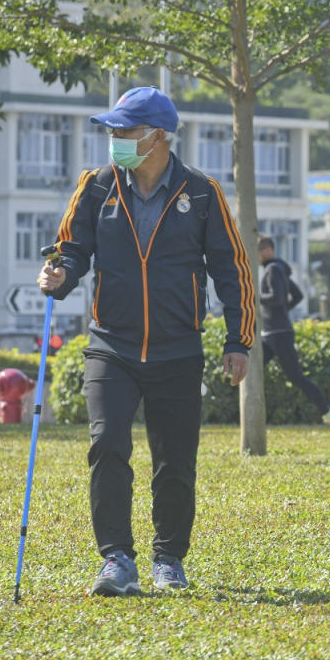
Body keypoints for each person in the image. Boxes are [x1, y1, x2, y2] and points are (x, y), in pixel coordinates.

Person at [38, 86, 254, 596]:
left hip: (178, 350)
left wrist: (237, 341)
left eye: (124, 131)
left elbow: (232, 269)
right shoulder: (95, 187)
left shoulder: (202, 193)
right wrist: (58, 277)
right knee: (106, 443)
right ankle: (116, 559)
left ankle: (169, 561)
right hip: (111, 346)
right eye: (111, 131)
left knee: (175, 461)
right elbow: (72, 251)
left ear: (157, 136)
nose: (114, 139)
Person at [258, 236, 330, 425]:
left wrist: (255, 296)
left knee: (296, 376)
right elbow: (297, 296)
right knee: (253, 370)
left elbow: (276, 298)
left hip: (278, 334)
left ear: (268, 251)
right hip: (272, 332)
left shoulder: (273, 269)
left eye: (257, 252)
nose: (256, 257)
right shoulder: (280, 270)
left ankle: (328, 414)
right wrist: (280, 312)